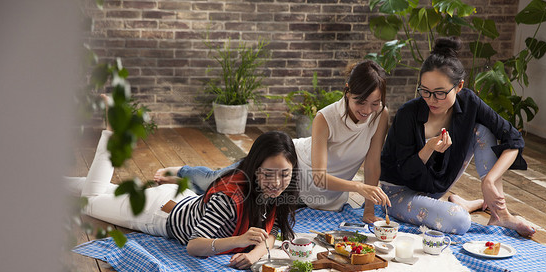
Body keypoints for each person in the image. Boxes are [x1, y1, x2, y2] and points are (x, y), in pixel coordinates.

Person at [155, 60, 391, 223]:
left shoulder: (380, 116)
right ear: (347, 91)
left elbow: (371, 165)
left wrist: (368, 210)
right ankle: (184, 172)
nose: (367, 110)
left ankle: (187, 182)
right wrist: (358, 187)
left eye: (375, 103)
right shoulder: (325, 118)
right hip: (290, 166)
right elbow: (319, 176)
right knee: (220, 181)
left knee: (244, 201)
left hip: (317, 194)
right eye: (361, 102)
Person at [67, 123, 300, 269]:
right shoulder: (229, 199)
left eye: (284, 174)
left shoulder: (276, 191)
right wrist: (240, 241)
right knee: (91, 201)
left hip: (183, 199)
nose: (277, 183)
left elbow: (272, 230)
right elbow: (194, 246)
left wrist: (254, 256)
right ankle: (112, 134)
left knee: (106, 191)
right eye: (269, 174)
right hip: (157, 213)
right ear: (255, 168)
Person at [380, 37, 536, 237]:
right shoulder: (407, 114)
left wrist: (489, 180)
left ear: (459, 87)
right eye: (425, 91)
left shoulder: (469, 102)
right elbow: (404, 172)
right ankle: (462, 205)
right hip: (399, 193)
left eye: (440, 93)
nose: (431, 100)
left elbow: (513, 139)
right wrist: (429, 149)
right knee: (459, 220)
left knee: (483, 130)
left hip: (436, 187)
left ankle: (500, 214)